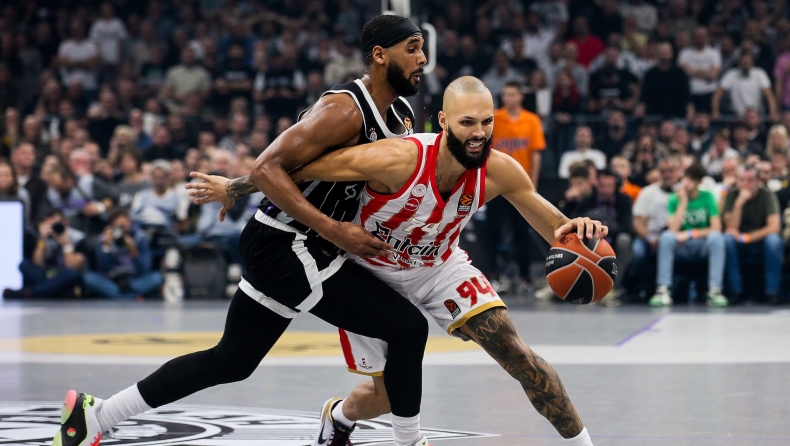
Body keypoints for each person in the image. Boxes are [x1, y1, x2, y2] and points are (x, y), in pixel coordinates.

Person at [54, 15, 431, 446]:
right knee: (407, 328)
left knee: (232, 361)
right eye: (413, 48)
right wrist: (333, 229)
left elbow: (308, 170)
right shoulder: (344, 110)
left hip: (299, 247)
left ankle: (97, 415)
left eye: (422, 48)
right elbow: (268, 167)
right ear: (380, 56)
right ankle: (410, 441)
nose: (423, 59)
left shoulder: (402, 116)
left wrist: (234, 187)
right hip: (288, 244)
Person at [284, 76, 602, 446]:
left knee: (519, 355)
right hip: (371, 274)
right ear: (443, 121)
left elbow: (556, 226)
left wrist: (577, 232)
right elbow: (294, 167)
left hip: (439, 267)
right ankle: (339, 415)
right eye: (468, 122)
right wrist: (239, 185)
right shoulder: (397, 158)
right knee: (388, 398)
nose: (479, 133)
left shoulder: (499, 169)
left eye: (486, 122)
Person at [487, 80, 546, 291]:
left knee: (522, 231)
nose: (508, 98)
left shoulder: (531, 120)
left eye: (512, 94)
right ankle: (493, 276)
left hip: (521, 186)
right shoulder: (494, 118)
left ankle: (524, 278)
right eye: (505, 95)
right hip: (496, 185)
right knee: (493, 231)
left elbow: (536, 154)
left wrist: (533, 185)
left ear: (521, 96)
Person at [650, 162, 727, 307]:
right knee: (666, 237)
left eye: (692, 180)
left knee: (717, 238)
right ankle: (663, 290)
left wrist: (691, 233)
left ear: (699, 182)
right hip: (682, 246)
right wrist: (683, 202)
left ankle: (715, 291)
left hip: (701, 245)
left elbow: (716, 228)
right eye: (686, 178)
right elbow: (673, 229)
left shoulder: (708, 197)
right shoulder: (674, 198)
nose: (687, 182)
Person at [566, 168, 632, 305]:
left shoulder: (624, 201)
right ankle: (572, 285)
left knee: (624, 240)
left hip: (613, 241)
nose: (605, 190)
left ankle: (613, 288)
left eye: (609, 186)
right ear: (596, 184)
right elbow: (572, 221)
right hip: (590, 241)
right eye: (602, 186)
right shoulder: (587, 200)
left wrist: (601, 231)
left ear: (616, 186)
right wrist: (568, 201)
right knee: (571, 238)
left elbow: (626, 227)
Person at [721, 166, 782, 305]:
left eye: (750, 180)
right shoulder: (732, 195)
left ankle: (772, 292)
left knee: (774, 241)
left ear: (757, 181)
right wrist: (739, 203)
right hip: (738, 244)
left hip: (761, 243)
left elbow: (774, 227)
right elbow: (730, 228)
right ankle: (735, 291)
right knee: (727, 239)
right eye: (742, 180)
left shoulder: (767, 195)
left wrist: (747, 238)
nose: (745, 184)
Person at [2, 209, 85, 299]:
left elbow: (74, 267)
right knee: (24, 264)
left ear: (65, 222)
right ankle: (48, 291)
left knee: (73, 274)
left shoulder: (77, 238)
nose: (53, 228)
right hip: (47, 276)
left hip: (64, 277)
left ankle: (29, 293)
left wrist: (66, 245)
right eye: (49, 225)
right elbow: (38, 264)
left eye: (56, 224)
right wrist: (42, 240)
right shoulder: (42, 237)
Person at [83, 208, 163, 299]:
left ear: (130, 221)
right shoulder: (104, 239)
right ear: (111, 226)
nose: (123, 230)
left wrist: (133, 250)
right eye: (119, 227)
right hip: (112, 279)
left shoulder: (140, 237)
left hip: (133, 278)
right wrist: (106, 247)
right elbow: (104, 269)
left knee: (156, 277)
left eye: (125, 226)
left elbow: (144, 269)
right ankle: (128, 295)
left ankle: (120, 295)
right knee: (89, 278)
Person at [630, 156, 681, 300]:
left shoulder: (684, 193)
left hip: (676, 238)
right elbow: (637, 222)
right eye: (663, 171)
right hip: (649, 237)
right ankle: (642, 289)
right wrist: (650, 238)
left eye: (670, 171)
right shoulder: (648, 192)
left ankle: (672, 289)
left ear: (678, 171)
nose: (667, 175)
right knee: (637, 252)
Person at [713, 53, 778, 121]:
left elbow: (769, 95)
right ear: (739, 63)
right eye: (744, 63)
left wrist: (773, 112)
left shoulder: (760, 74)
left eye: (748, 63)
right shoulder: (731, 75)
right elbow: (717, 94)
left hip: (756, 116)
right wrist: (715, 111)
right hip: (738, 117)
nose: (746, 65)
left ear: (752, 63)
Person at [636, 42, 692, 120]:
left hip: (676, 115)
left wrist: (690, 112)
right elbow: (644, 96)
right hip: (654, 115)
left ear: (672, 54)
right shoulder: (650, 74)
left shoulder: (680, 74)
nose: (664, 54)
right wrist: (640, 109)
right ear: (657, 54)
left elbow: (686, 95)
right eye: (662, 51)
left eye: (666, 52)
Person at [677, 27, 721, 113]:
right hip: (690, 93)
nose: (700, 37)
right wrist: (706, 72)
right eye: (697, 35)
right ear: (693, 37)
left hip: (709, 93)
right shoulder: (684, 53)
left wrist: (691, 70)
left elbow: (713, 75)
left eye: (702, 35)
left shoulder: (714, 53)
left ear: (707, 37)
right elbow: (682, 73)